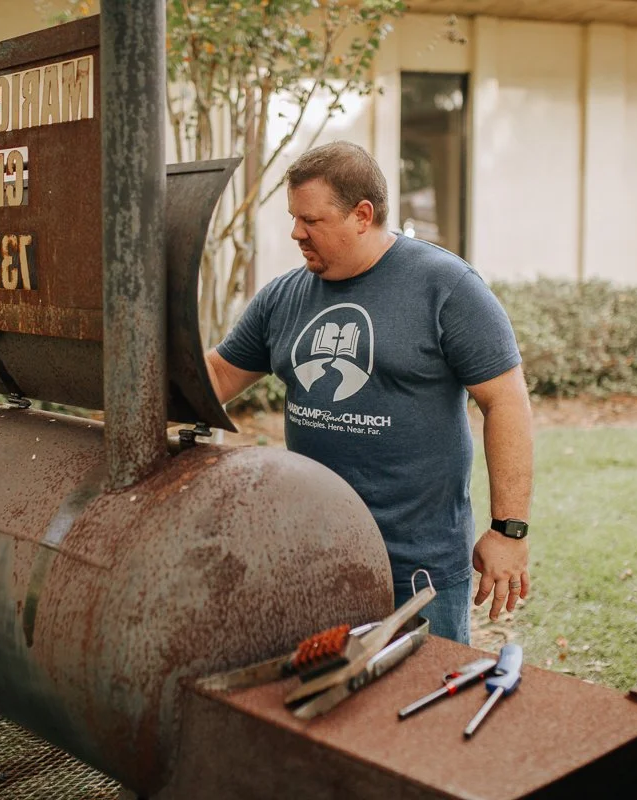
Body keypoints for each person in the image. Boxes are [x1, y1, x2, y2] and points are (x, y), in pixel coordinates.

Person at [204, 141, 534, 644]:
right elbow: (218, 375)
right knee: (320, 687)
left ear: (362, 215)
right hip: (313, 556)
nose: (296, 233)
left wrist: (509, 529)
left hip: (416, 569)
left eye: (310, 220)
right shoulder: (284, 296)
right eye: (293, 218)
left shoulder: (446, 286)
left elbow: (506, 401)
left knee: (421, 691)